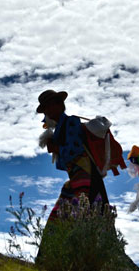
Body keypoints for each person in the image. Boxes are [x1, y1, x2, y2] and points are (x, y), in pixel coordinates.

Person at [38, 89, 110, 221]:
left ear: (59, 105)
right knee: (68, 217)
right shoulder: (61, 128)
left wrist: (55, 148)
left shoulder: (71, 122)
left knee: (84, 215)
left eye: (49, 106)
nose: (47, 111)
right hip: (76, 176)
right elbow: (63, 162)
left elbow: (74, 150)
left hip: (86, 176)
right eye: (45, 108)